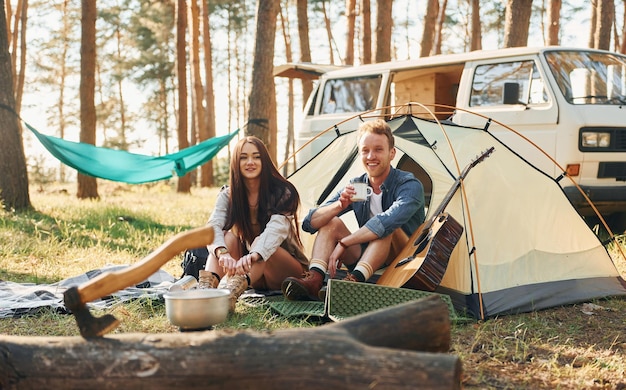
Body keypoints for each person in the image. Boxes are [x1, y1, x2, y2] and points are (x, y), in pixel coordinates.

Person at [281, 119, 425, 301]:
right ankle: (315, 280)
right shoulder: (358, 186)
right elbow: (310, 223)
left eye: (378, 149)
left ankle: (352, 283)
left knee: (385, 229)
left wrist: (344, 243)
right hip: (369, 256)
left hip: (405, 259)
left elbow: (386, 222)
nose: (371, 156)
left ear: (392, 153)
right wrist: (339, 205)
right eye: (365, 150)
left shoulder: (409, 185)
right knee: (331, 222)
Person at [198, 136, 309, 312]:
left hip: (286, 271)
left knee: (262, 243)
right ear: (236, 161)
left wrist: (255, 254)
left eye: (256, 157)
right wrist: (222, 252)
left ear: (264, 161)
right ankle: (204, 294)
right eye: (243, 157)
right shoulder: (228, 195)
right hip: (250, 275)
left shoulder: (284, 192)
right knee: (228, 237)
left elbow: (275, 231)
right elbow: (212, 226)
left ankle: (228, 296)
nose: (250, 162)